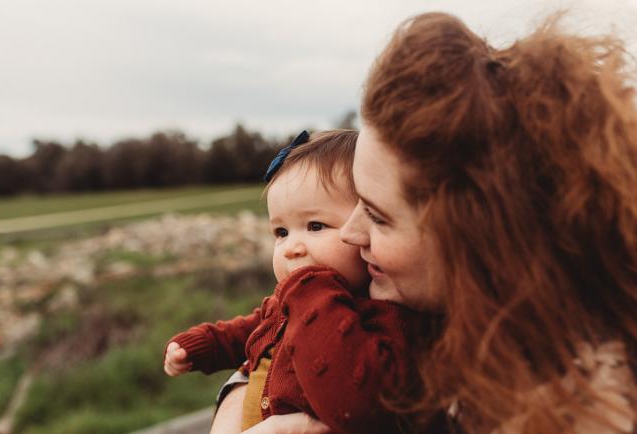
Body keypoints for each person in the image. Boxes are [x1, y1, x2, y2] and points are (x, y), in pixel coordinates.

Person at [215, 10, 637, 434]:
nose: (351, 232)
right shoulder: (452, 328)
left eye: (379, 217)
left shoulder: (570, 414)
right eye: (357, 203)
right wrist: (237, 398)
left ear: (477, 236)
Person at [164, 130, 434, 433]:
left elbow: (359, 401)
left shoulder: (381, 315)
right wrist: (205, 344)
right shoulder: (290, 301)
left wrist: (311, 287)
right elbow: (251, 328)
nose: (292, 247)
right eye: (281, 233)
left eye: (315, 226)